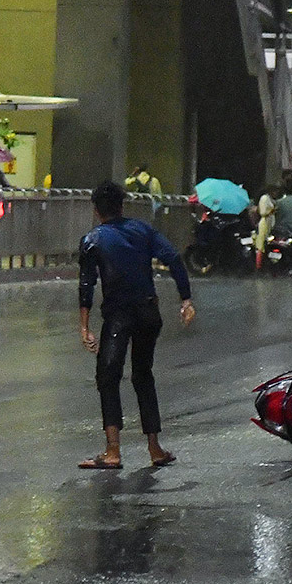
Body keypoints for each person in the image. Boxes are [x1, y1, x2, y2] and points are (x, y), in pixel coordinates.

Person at [77, 180, 195, 469]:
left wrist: (84, 327)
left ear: (96, 209)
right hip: (148, 312)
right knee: (143, 374)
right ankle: (155, 448)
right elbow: (174, 258)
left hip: (118, 316)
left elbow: (87, 284)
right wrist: (186, 299)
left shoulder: (92, 239)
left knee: (108, 376)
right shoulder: (143, 230)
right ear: (121, 205)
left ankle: (112, 451)